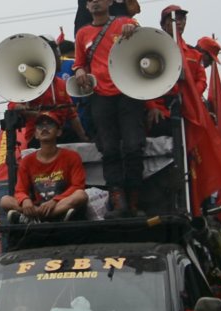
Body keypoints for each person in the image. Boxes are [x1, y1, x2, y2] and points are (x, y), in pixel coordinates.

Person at [76, 0, 148, 217]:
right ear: (87, 7)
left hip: (128, 94)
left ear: (109, 2)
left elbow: (144, 41)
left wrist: (133, 28)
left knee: (134, 146)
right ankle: (118, 202)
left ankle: (134, 201)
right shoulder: (83, 34)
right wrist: (79, 71)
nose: (95, 2)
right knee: (109, 149)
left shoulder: (125, 22)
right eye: (90, 0)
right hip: (101, 97)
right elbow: (80, 63)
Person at [1, 113, 89, 223]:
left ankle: (37, 217)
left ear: (59, 132)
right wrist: (25, 200)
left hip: (60, 203)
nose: (44, 128)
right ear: (36, 134)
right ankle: (47, 215)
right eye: (40, 126)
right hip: (38, 206)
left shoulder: (72, 157)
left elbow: (77, 186)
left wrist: (55, 201)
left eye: (50, 125)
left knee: (81, 195)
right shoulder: (27, 161)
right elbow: (20, 190)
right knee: (5, 200)